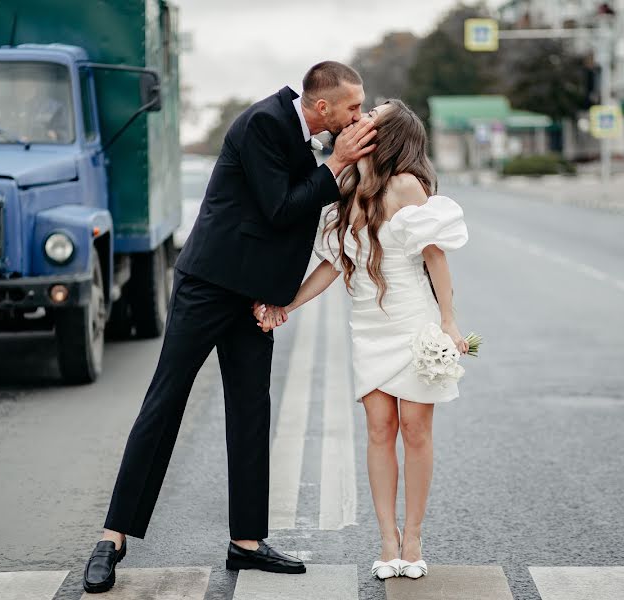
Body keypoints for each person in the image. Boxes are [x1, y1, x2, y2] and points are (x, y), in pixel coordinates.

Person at [82, 61, 377, 594]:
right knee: (164, 402)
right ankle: (112, 538)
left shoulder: (307, 132)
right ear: (322, 108)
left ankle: (246, 543)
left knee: (250, 411)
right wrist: (335, 164)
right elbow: (281, 209)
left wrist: (278, 294)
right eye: (352, 107)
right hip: (209, 285)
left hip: (253, 295)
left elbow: (294, 217)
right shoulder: (263, 123)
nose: (357, 116)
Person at [255, 99, 470, 581]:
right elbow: (333, 263)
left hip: (413, 319)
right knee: (378, 430)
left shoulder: (408, 186)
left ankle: (413, 539)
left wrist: (449, 323)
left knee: (415, 430)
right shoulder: (346, 188)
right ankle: (387, 541)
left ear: (389, 134)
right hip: (368, 326)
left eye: (376, 112)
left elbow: (435, 258)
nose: (363, 115)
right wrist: (287, 304)